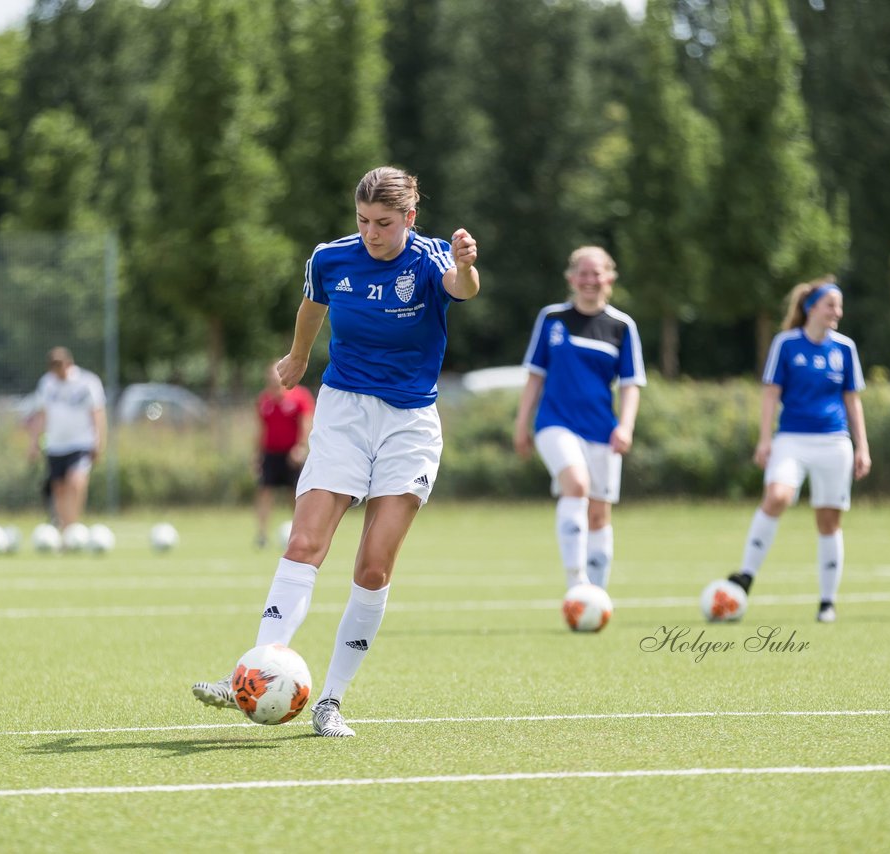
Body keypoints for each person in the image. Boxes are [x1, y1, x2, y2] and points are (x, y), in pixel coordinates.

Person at [192, 165, 480, 737]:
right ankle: (252, 673)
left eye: (384, 223)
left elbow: (461, 290)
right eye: (363, 221)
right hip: (344, 411)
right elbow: (313, 305)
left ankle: (330, 702)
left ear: (410, 218)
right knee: (303, 542)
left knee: (373, 567)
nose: (372, 233)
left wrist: (468, 266)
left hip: (409, 424)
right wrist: (298, 356)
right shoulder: (329, 257)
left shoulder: (431, 257)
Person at [727, 276, 871, 623]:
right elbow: (770, 394)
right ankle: (746, 574)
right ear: (811, 308)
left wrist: (862, 446)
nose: (837, 311)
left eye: (839, 305)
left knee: (828, 520)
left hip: (835, 442)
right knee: (777, 496)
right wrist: (765, 439)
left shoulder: (844, 349)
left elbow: (852, 401)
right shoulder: (787, 344)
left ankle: (826, 601)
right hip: (791, 438)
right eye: (830, 305)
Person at [513, 246, 645, 593]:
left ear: (609, 278)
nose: (590, 280)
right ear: (571, 278)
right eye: (583, 274)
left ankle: (596, 595)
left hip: (602, 430)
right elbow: (535, 376)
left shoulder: (622, 326)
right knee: (577, 485)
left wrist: (626, 426)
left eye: (597, 273)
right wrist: (521, 424)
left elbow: (631, 385)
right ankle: (577, 583)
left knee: (599, 515)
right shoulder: (552, 318)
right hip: (555, 422)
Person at [26, 347, 107, 529]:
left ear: (69, 364)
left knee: (76, 482)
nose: (57, 372)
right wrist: (34, 443)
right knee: (59, 488)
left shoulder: (87, 382)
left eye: (60, 367)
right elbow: (41, 415)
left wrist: (98, 440)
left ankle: (73, 526)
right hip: (55, 444)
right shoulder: (46, 384)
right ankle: (63, 529)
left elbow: (97, 413)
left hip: (81, 442)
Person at [254, 361, 315, 548]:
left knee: (295, 495)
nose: (273, 381)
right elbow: (260, 430)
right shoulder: (264, 400)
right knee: (264, 492)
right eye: (271, 378)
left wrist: (300, 447)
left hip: (291, 455)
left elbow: (305, 423)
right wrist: (256, 455)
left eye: (276, 377)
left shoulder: (300, 397)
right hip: (270, 454)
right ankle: (262, 535)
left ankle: (300, 534)